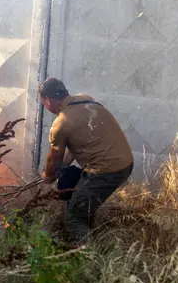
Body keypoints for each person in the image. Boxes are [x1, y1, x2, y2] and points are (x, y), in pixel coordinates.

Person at [39, 77, 134, 245]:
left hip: (106, 171)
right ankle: (93, 235)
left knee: (74, 215)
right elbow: (82, 139)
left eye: (44, 102)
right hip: (125, 163)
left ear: (47, 101)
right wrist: (64, 164)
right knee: (82, 201)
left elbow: (53, 161)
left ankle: (87, 261)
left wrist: (47, 177)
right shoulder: (85, 99)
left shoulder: (60, 125)